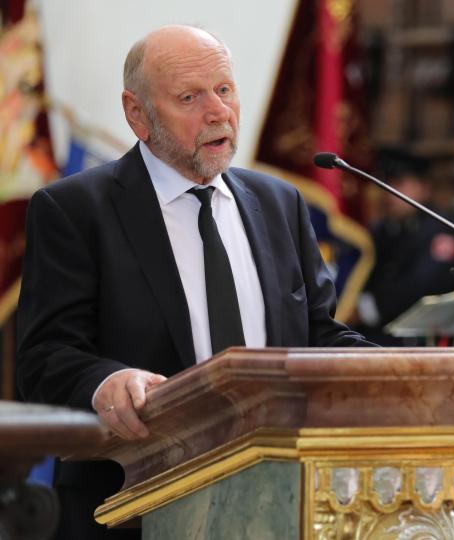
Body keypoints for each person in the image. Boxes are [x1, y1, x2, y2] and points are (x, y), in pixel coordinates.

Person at [16, 26, 372, 539]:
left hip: (276, 496)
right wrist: (104, 382)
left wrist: (384, 368)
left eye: (224, 90)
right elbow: (44, 357)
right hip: (132, 503)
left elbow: (316, 334)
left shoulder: (279, 203)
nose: (217, 112)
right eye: (190, 97)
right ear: (137, 114)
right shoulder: (74, 210)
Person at [354, 153, 454, 345]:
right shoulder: (382, 230)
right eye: (386, 184)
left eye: (399, 183)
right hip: (375, 338)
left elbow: (423, 285)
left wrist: (368, 308)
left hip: (420, 341)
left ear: (424, 188)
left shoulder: (440, 230)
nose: (389, 192)